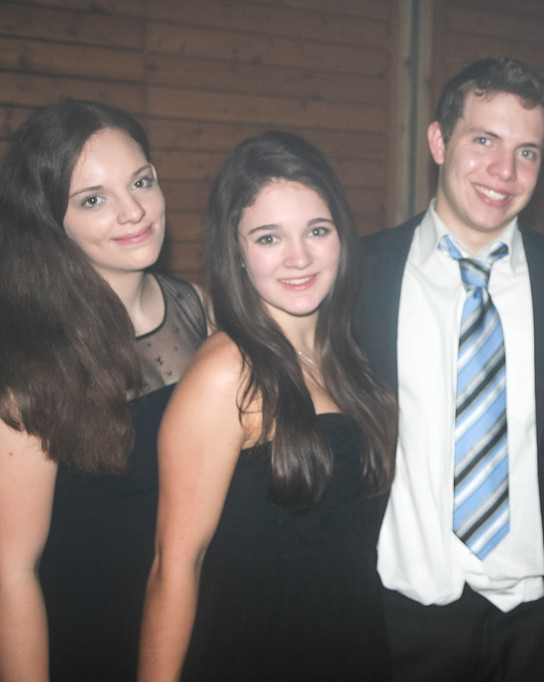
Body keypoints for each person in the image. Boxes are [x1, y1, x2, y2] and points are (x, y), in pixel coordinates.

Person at [352, 57, 544, 680]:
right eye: (484, 140)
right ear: (439, 142)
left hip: (536, 618)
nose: (504, 171)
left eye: (527, 152)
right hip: (398, 613)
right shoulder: (358, 277)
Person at [140, 131, 396, 680]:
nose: (299, 257)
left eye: (317, 230)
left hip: (353, 642)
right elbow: (174, 566)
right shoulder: (226, 373)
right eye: (268, 237)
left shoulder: (347, 354)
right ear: (236, 252)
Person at [0, 100, 208, 680]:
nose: (134, 211)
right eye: (93, 200)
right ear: (50, 222)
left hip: (203, 627)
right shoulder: (27, 376)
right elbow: (10, 575)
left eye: (141, 182)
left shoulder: (201, 309)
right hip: (97, 641)